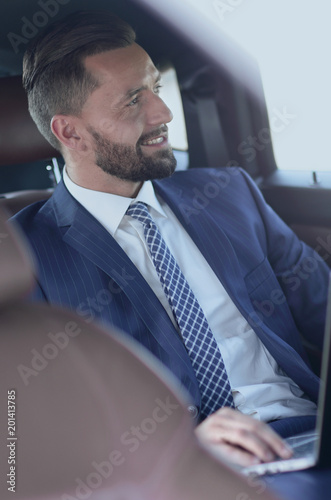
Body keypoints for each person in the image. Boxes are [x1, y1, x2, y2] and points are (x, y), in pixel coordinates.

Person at [13, 10, 330, 467]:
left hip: (311, 436)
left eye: (156, 90)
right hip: (174, 471)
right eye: (132, 100)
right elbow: (28, 430)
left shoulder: (231, 194)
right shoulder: (23, 255)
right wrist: (174, 447)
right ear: (71, 132)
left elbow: (324, 308)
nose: (163, 113)